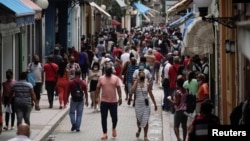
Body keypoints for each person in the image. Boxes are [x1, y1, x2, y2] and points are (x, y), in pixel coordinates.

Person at [95, 66, 122, 139]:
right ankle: (104, 133)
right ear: (105, 72)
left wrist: (120, 97)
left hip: (113, 101)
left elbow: (119, 88)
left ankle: (114, 128)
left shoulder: (115, 78)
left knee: (115, 117)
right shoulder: (101, 78)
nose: (108, 73)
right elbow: (97, 88)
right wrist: (96, 98)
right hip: (104, 101)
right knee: (103, 117)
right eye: (107, 72)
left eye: (109, 72)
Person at [131, 71, 157, 141]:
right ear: (138, 76)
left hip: (146, 105)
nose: (142, 78)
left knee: (145, 120)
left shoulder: (147, 84)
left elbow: (151, 94)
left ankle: (145, 136)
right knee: (139, 120)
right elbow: (132, 91)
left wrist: (155, 104)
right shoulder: (136, 83)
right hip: (138, 105)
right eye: (141, 76)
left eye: (143, 76)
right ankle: (139, 129)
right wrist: (136, 82)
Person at [168, 76, 188, 141]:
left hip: (179, 110)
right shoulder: (186, 90)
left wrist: (170, 100)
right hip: (185, 110)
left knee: (176, 126)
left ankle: (178, 138)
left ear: (178, 84)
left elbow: (177, 103)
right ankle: (184, 139)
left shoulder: (178, 92)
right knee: (184, 126)